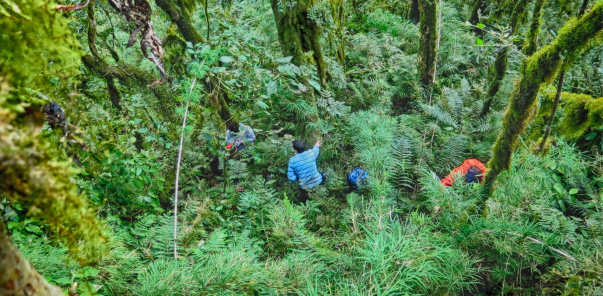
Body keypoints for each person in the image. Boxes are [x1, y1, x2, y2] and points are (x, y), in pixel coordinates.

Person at [287, 139, 325, 204]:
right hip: (318, 182)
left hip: (305, 187)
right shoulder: (311, 153)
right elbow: (315, 151)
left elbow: (291, 178)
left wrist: (298, 177)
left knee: (304, 203)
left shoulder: (292, 161)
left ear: (295, 150)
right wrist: (316, 145)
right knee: (324, 173)